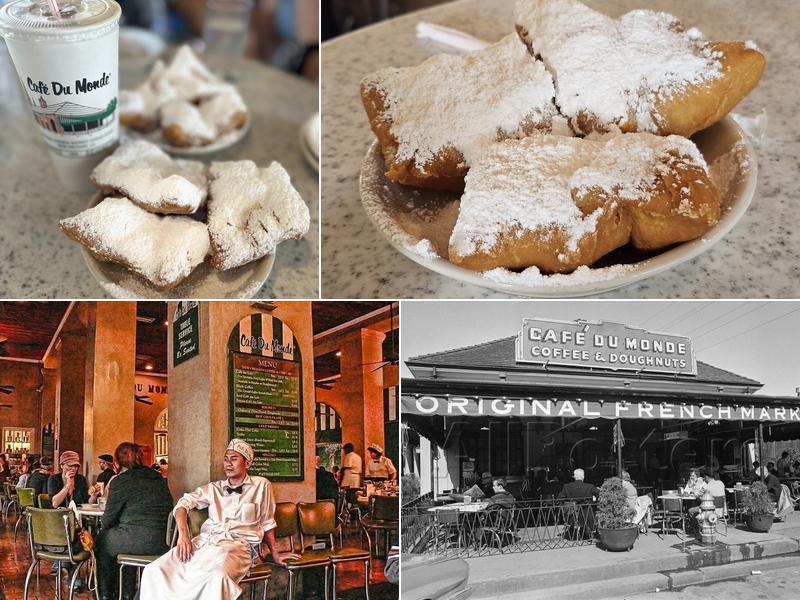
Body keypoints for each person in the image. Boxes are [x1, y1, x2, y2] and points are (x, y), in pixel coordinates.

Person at [140, 439, 298, 599]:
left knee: (217, 577)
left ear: (247, 463)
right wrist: (183, 535)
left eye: (234, 459)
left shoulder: (261, 485)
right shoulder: (214, 488)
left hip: (238, 547)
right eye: (226, 459)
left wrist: (275, 553)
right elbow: (182, 504)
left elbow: (267, 522)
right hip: (204, 544)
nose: (228, 463)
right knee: (155, 569)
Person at [95, 442, 173, 600]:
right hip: (163, 542)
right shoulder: (157, 478)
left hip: (133, 541)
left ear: (117, 462)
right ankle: (129, 593)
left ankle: (106, 595)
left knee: (102, 541)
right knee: (122, 537)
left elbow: (107, 521)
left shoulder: (120, 481)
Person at [558, 469, 597, 539]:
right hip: (587, 516)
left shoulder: (567, 486)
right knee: (592, 509)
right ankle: (590, 532)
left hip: (572, 515)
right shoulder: (590, 486)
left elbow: (559, 498)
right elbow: (600, 494)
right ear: (583, 476)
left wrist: (567, 502)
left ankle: (575, 530)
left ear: (574, 476)